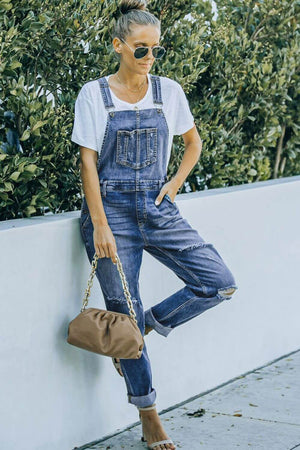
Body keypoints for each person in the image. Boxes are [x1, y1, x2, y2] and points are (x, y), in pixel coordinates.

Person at [71, 1, 238, 448]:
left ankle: (143, 324)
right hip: (111, 216)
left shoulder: (169, 92)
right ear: (118, 45)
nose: (149, 59)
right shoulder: (94, 94)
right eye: (140, 50)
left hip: (157, 207)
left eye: (155, 51)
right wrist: (101, 225)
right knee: (120, 311)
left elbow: (193, 142)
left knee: (219, 282)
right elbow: (87, 163)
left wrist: (176, 183)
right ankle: (148, 413)